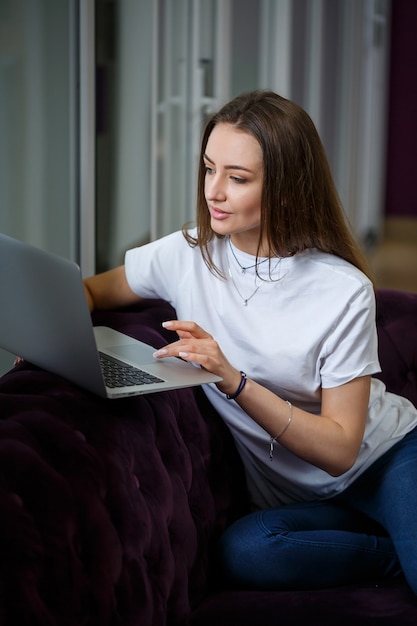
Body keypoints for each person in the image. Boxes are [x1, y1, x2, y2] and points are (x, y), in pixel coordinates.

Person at [84, 90, 417, 593]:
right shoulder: (188, 253)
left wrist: (232, 380)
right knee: (248, 552)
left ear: (285, 190)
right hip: (295, 501)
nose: (213, 191)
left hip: (387, 459)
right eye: (208, 168)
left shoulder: (343, 289)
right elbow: (89, 289)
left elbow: (341, 449)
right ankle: (395, 545)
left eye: (236, 178)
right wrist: (48, 340)